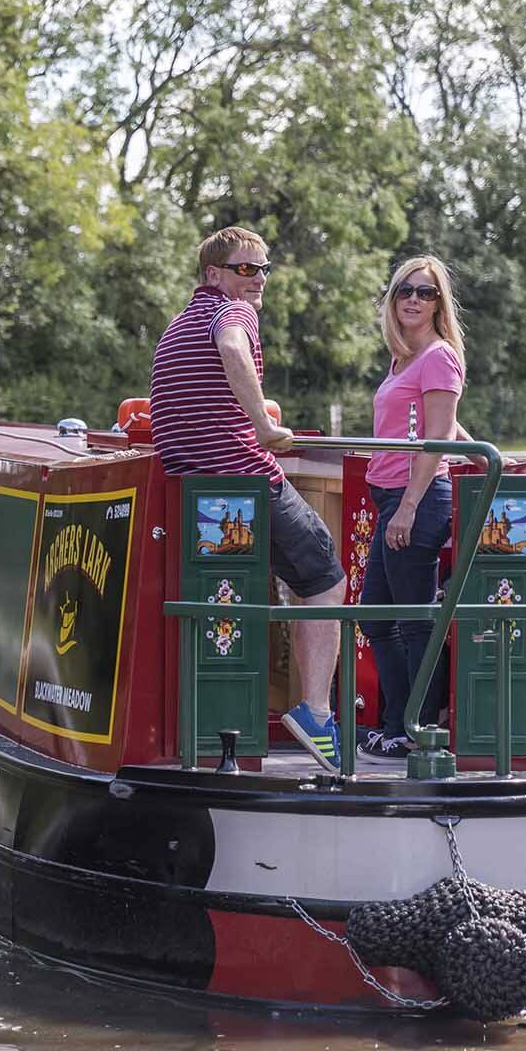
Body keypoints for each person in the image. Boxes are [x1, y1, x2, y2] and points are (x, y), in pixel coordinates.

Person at [149, 226, 348, 771]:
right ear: (214, 275)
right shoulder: (231, 312)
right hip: (241, 477)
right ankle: (315, 712)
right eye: (245, 268)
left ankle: (213, 720)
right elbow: (233, 347)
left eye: (263, 269)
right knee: (327, 577)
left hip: (195, 486)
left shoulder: (179, 324)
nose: (257, 279)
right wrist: (262, 424)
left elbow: (204, 387)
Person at [359, 256, 475, 762]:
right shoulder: (405, 358)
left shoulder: (438, 357)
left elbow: (433, 439)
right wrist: (481, 450)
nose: (412, 299)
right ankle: (399, 722)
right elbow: (446, 427)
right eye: (404, 290)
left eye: (425, 293)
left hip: (418, 499)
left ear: (438, 304)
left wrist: (407, 507)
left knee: (412, 619)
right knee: (376, 617)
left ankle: (418, 727)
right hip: (392, 497)